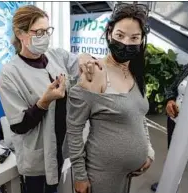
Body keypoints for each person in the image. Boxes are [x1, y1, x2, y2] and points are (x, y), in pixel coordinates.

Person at [0, 5, 98, 193]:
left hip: (61, 146)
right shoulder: (10, 74)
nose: (45, 36)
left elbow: (78, 61)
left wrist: (85, 58)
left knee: (57, 186)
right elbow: (19, 125)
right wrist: (44, 102)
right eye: (39, 32)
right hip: (38, 156)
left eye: (48, 30)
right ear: (20, 34)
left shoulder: (56, 55)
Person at [67, 3, 155, 193]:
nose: (126, 43)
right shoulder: (94, 73)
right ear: (109, 34)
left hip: (128, 174)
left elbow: (139, 117)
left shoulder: (135, 72)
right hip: (101, 173)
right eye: (120, 35)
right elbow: (74, 131)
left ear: (141, 41)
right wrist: (80, 176)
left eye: (134, 38)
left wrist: (149, 151)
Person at [151, 62, 188, 192]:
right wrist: (170, 100)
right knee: (173, 152)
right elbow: (172, 87)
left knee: (185, 156)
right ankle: (168, 182)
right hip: (175, 118)